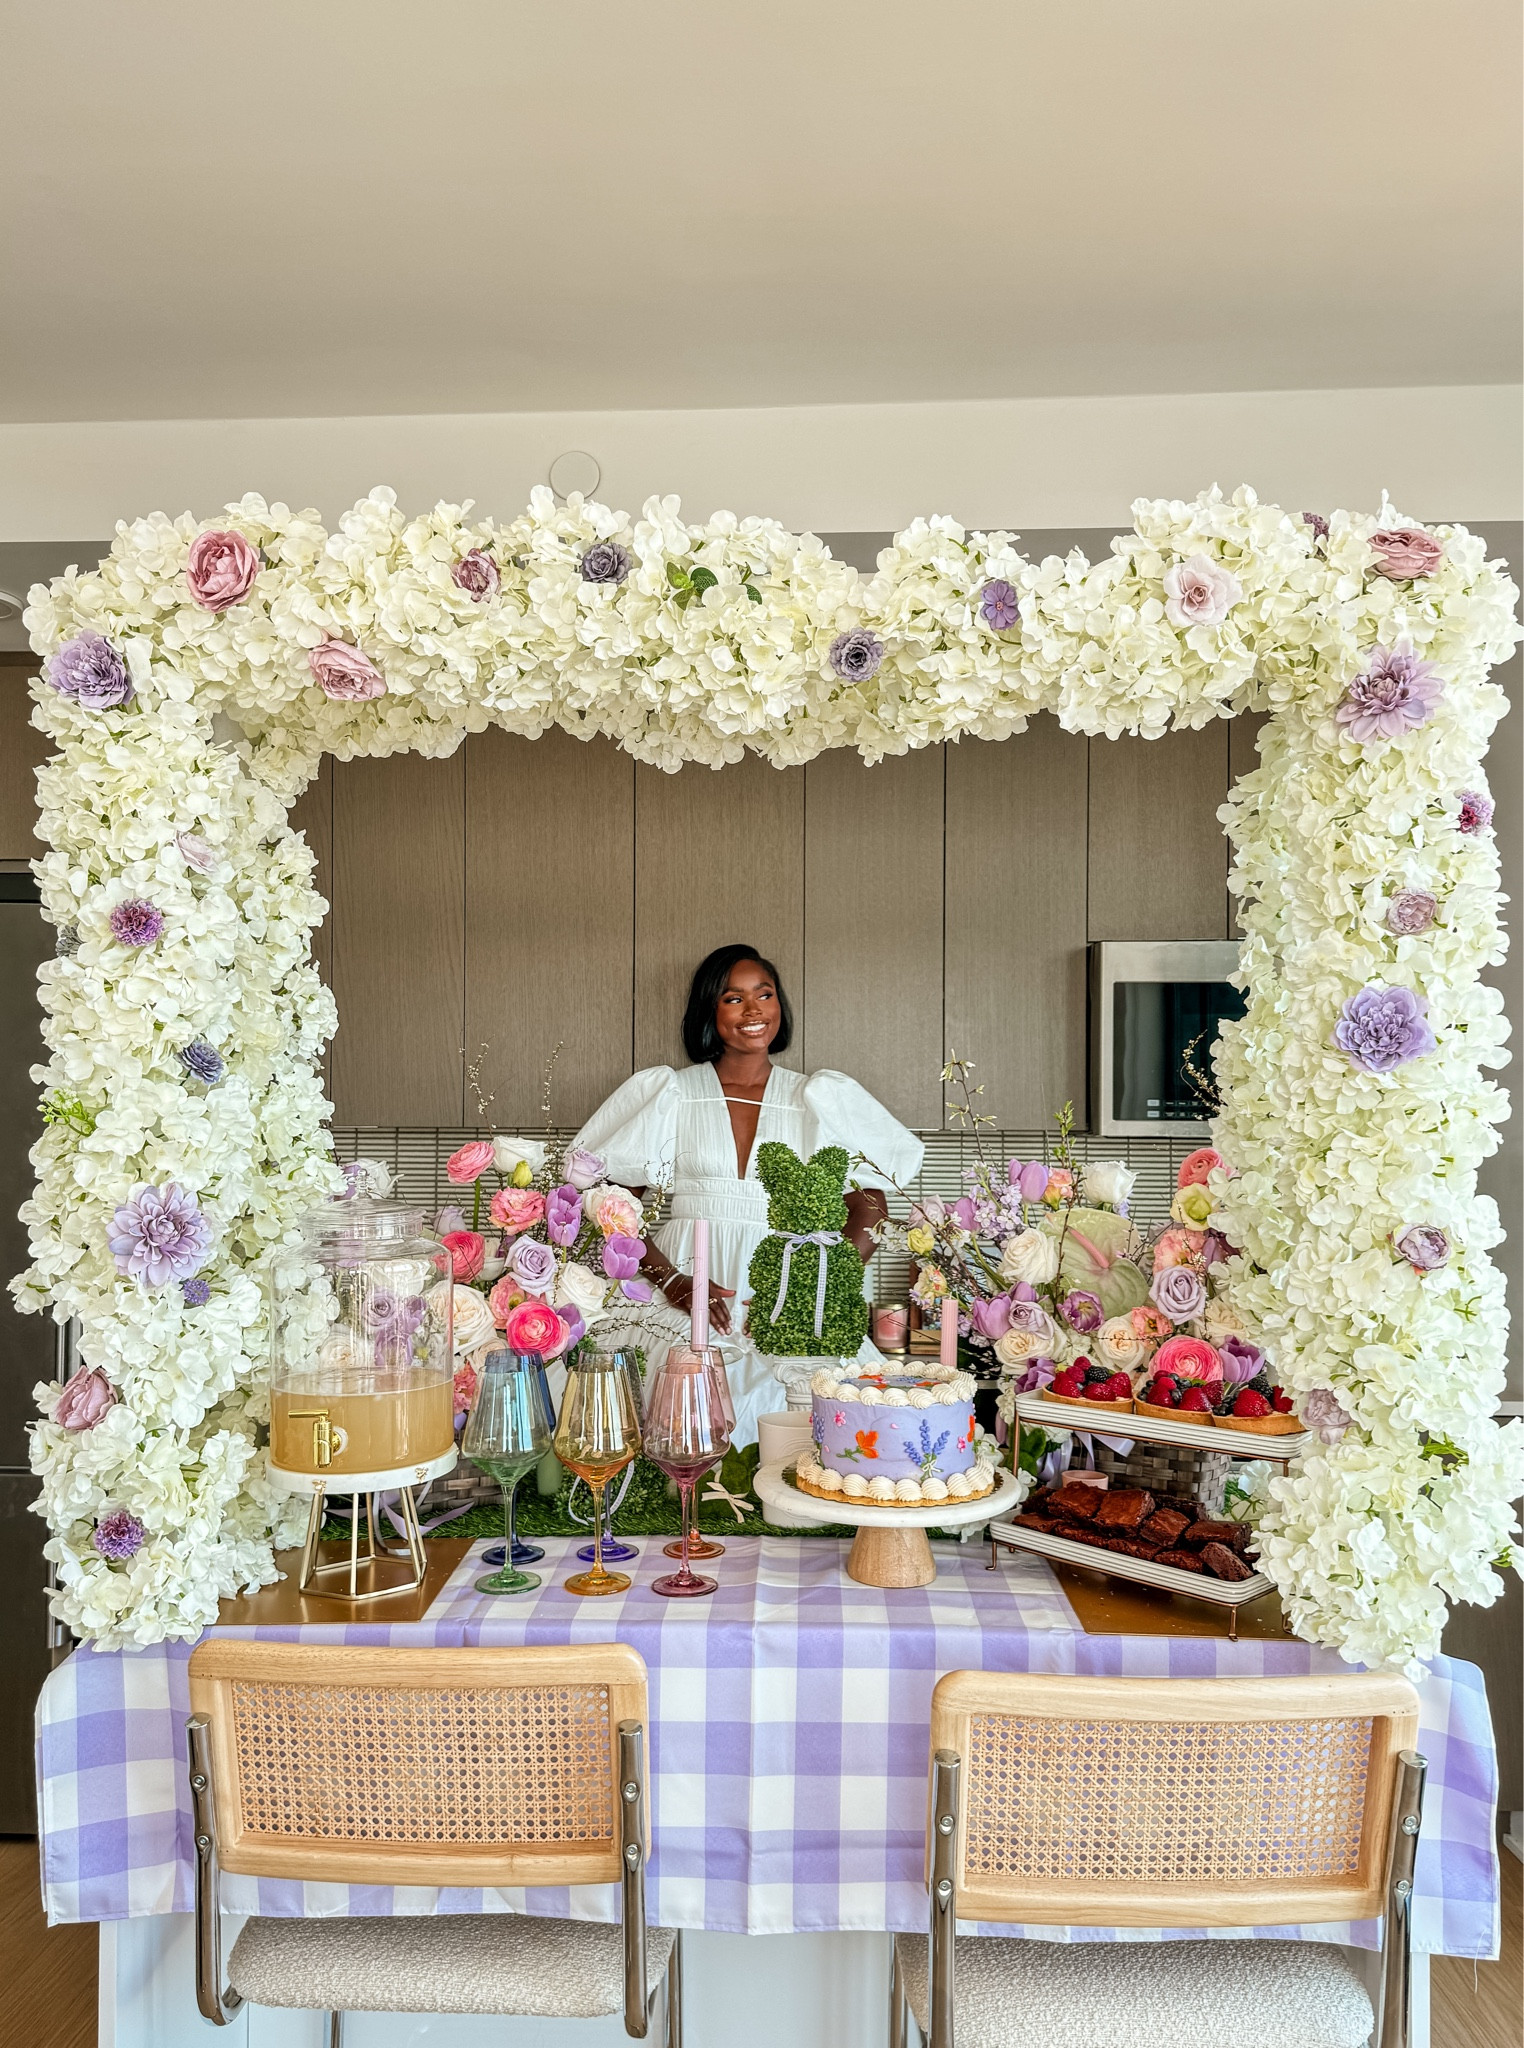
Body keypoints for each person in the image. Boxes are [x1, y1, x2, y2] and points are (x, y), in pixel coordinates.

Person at [571, 943, 924, 1445]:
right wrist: (671, 1282)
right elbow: (609, 1210)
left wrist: (814, 1290)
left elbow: (871, 1205)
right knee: (667, 1431)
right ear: (708, 1011)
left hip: (787, 1283)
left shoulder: (817, 1098)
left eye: (765, 993)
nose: (755, 1009)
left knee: (811, 1438)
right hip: (679, 1283)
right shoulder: (670, 1092)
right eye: (734, 998)